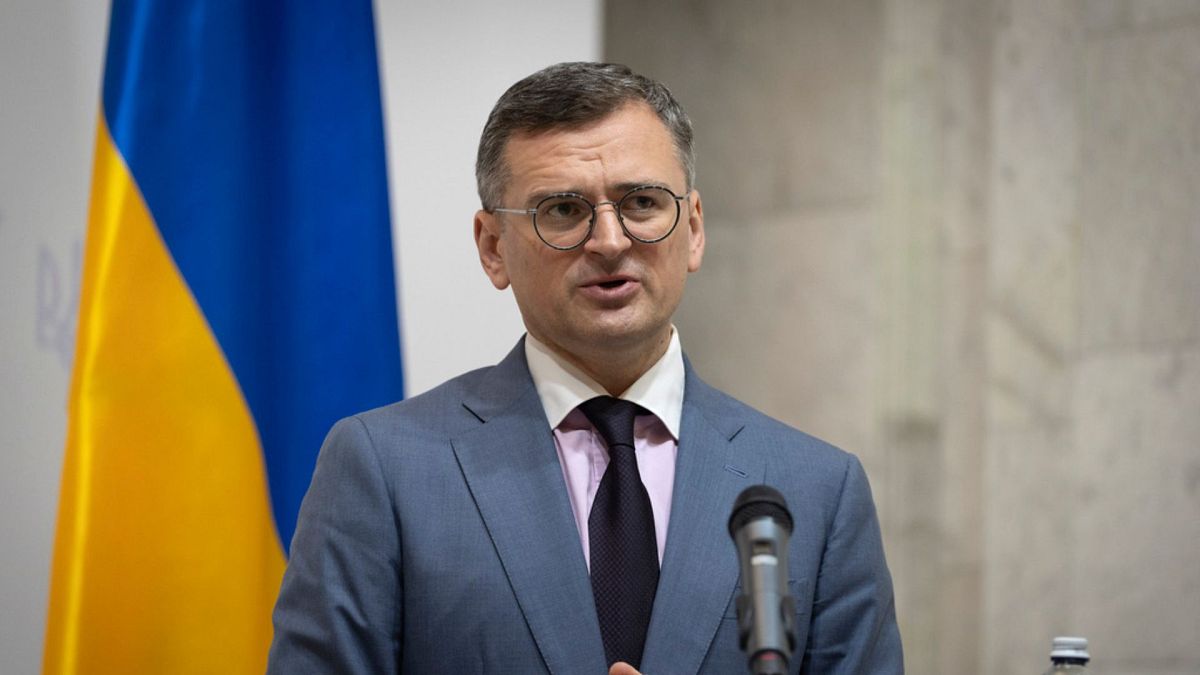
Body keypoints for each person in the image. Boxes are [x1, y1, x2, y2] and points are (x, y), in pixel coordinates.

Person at [267, 62, 903, 674]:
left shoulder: (816, 488)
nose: (609, 240)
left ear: (696, 228)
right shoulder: (384, 468)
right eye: (563, 211)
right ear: (493, 248)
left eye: (643, 202)